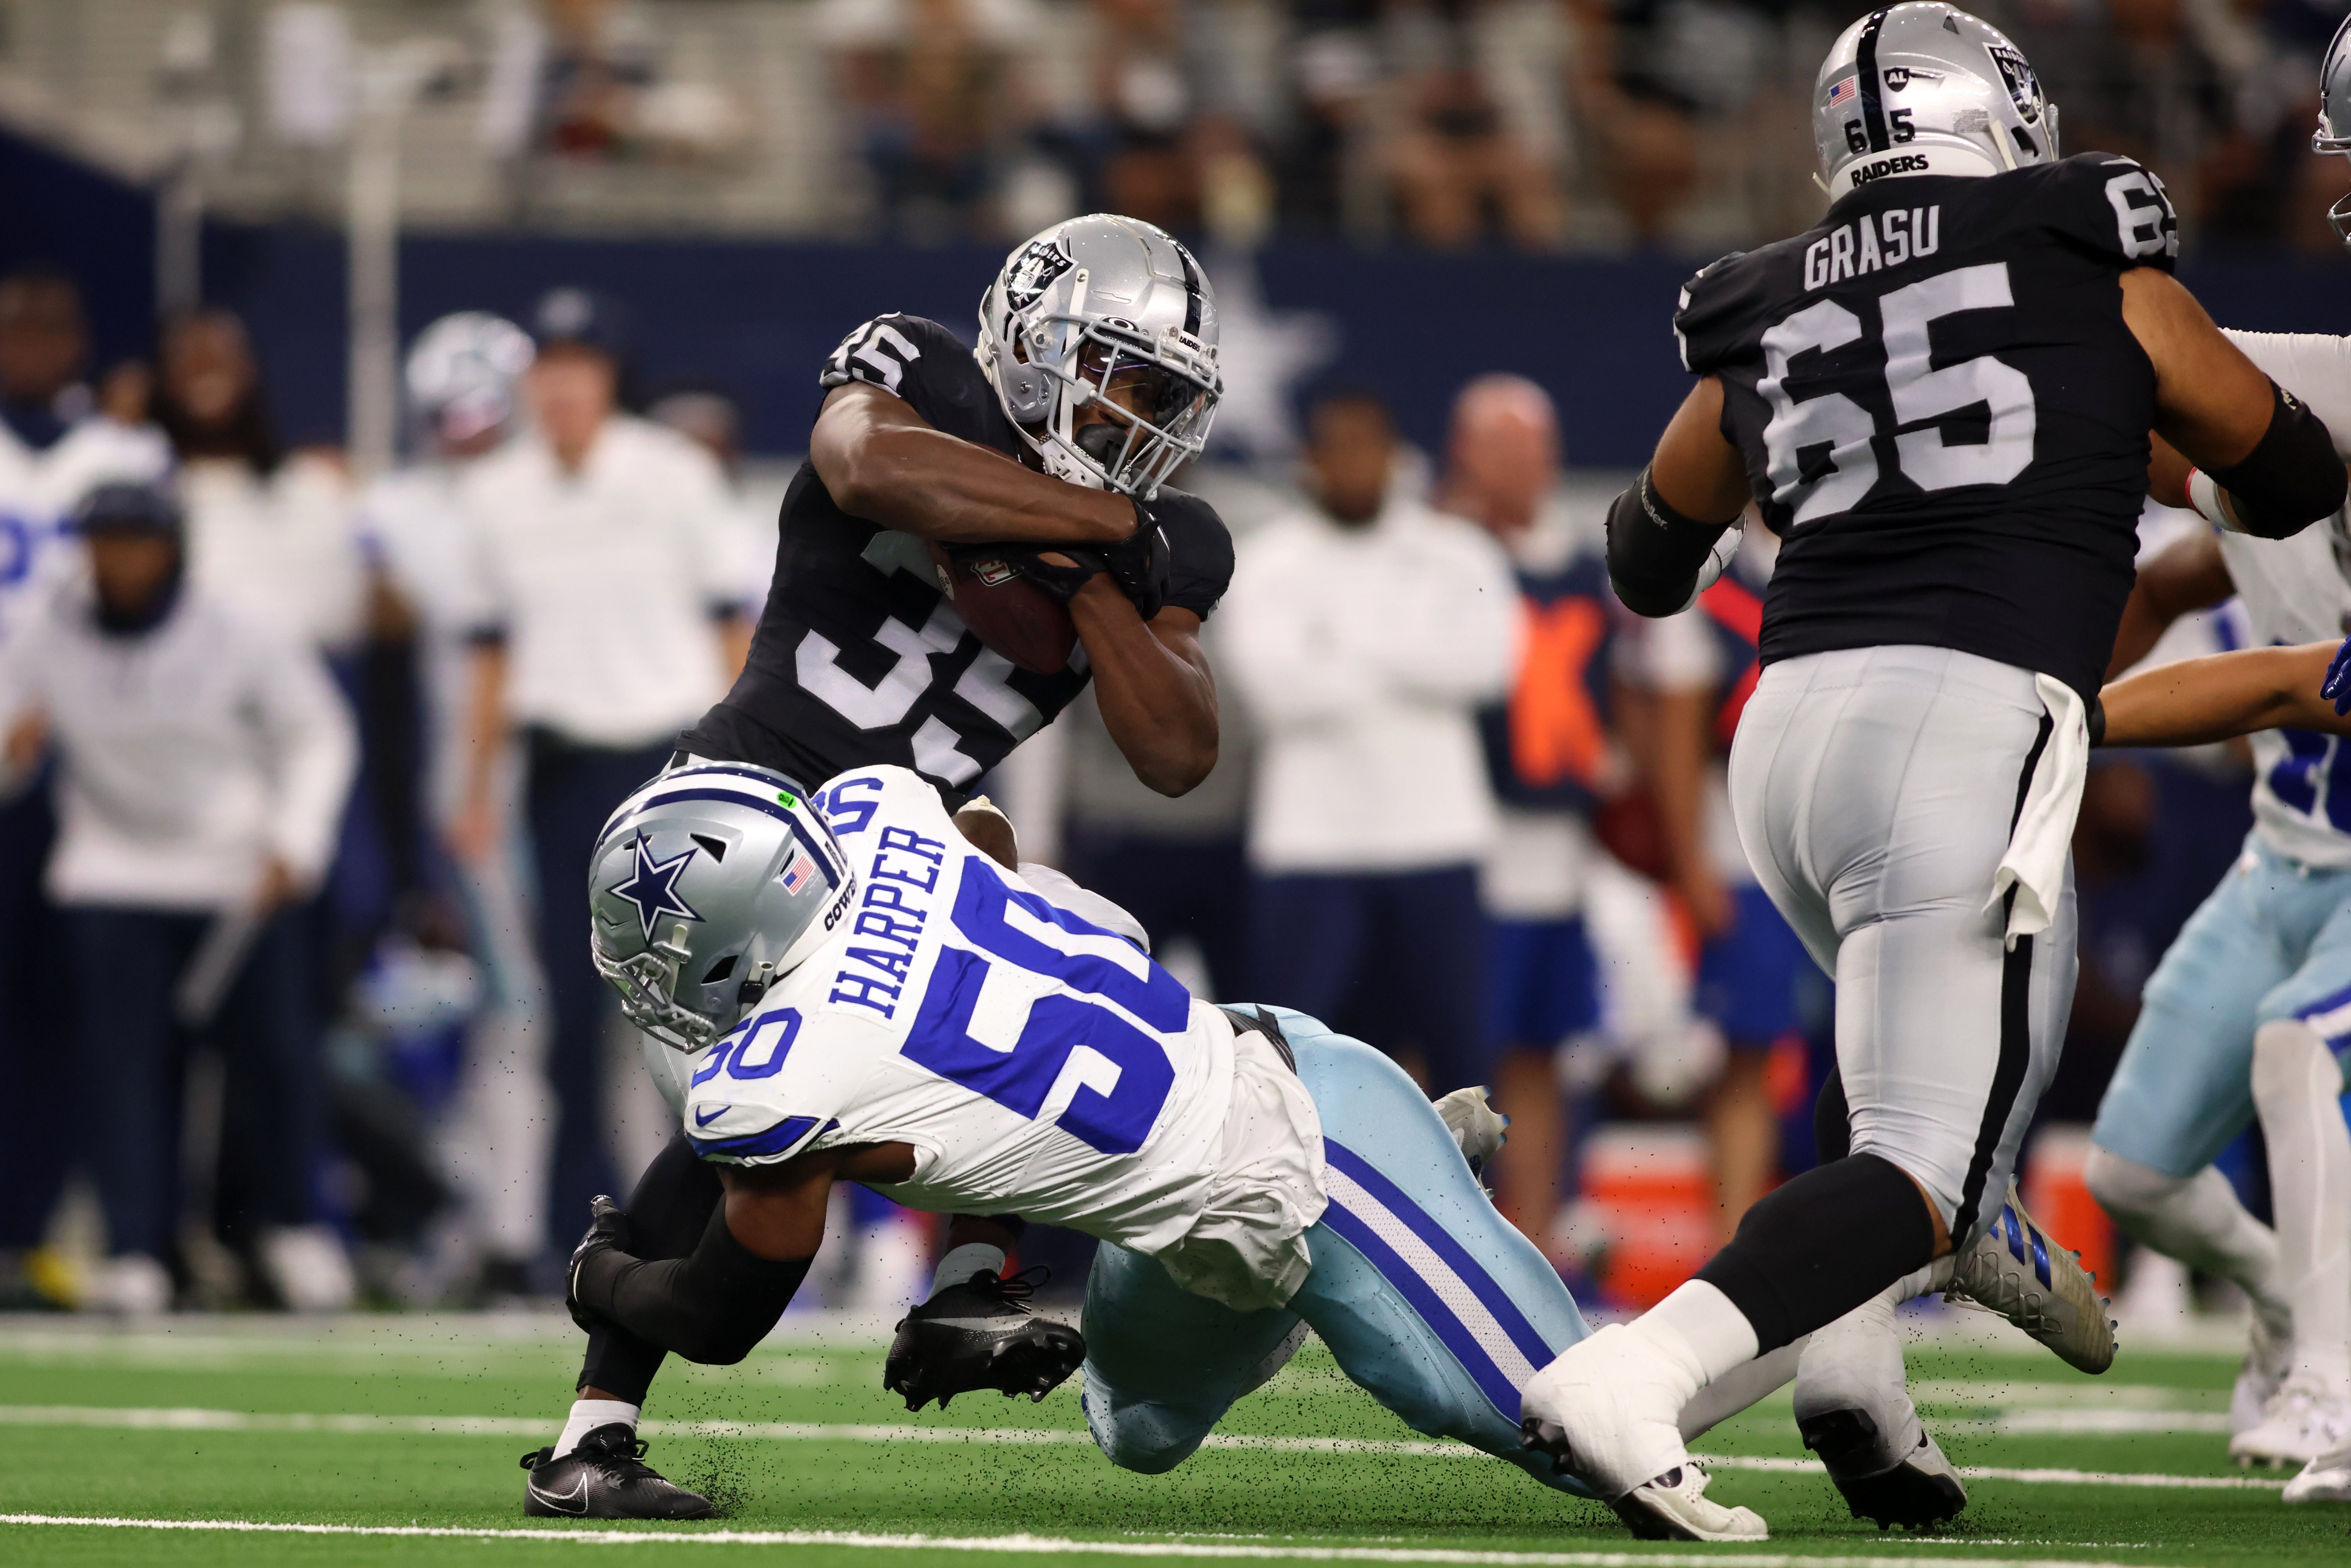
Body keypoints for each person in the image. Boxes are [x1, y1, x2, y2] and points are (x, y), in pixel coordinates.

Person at [1517, 3, 2347, 1542]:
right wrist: (2121, 417)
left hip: (1782, 731)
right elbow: (2286, 471)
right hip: (1965, 715)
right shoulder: (2071, 234)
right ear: (1997, 111)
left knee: (1890, 1074)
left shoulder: (1761, 295)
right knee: (1937, 1160)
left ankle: (1850, 1378)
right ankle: (1635, 1372)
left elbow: (1642, 554)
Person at [518, 213, 1239, 1515]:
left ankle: (966, 1283)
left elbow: (1178, 746)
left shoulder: (1166, 536)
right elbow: (862, 466)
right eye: (1120, 377)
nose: (1136, 419)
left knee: (1051, 917)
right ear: (1035, 342)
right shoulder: (925, 373)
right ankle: (597, 1416)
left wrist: (1083, 575)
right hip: (741, 814)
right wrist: (1089, 522)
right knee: (758, 1148)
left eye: (1160, 397)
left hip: (904, 865)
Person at [529, 760, 1572, 1519]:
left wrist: (599, 1278)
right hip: (1193, 1154)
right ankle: (1349, 1255)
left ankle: (1400, 1203)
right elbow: (990, 1075)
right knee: (1139, 1433)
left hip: (1295, 1146)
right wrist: (975, 1272)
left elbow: (717, 1318)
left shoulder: (789, 1079)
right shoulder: (888, 817)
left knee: (1578, 1431)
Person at [2086, 17, 2351, 1490]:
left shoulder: (2307, 393)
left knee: (2298, 1048)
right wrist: (2072, 669)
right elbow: (2184, 563)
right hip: (2282, 858)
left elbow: (2305, 678)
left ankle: (2332, 1376)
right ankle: (2279, 1307)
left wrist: (2058, 717)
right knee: (2129, 1168)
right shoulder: (2267, 463)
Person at [449, 287, 755, 1259]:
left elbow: (731, 626)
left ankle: (704, 1228)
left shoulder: (673, 475)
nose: (564, 387)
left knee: (696, 1005)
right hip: (563, 765)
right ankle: (570, 1229)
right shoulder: (495, 494)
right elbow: (491, 652)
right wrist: (474, 786)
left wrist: (743, 765)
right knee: (572, 1011)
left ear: (608, 377)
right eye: (549, 367)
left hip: (669, 763)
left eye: (580, 367)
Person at [0, 484, 357, 1313]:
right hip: (111, 869)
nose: (117, 559)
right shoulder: (45, 631)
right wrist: (15, 752)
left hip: (238, 873)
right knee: (121, 1066)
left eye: (135, 540)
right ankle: (134, 1247)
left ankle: (296, 1228)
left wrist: (295, 843)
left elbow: (319, 733)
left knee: (275, 1058)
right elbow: (12, 741)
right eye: (102, 541)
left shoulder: (241, 627)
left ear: (171, 547)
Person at [1221, 388, 1518, 1093]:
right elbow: (1273, 694)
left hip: (1438, 840)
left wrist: (1337, 644)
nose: (1354, 465)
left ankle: (1465, 1207)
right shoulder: (1267, 561)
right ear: (1309, 463)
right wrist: (1414, 652)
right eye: (1337, 449)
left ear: (1396, 458)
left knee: (1459, 1064)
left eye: (1369, 448)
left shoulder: (1458, 552)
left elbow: (1491, 666)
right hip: (1308, 848)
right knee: (1293, 1065)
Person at [360, 312, 545, 1296]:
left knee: (574, 1018)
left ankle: (522, 1219)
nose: (466, 431)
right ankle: (500, 1221)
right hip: (468, 800)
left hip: (566, 785)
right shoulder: (398, 512)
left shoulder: (564, 497)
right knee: (510, 1014)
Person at [0, 268, 170, 1306]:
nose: (29, 342)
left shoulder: (124, 455)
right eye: (13, 324)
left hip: (96, 763)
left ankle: (65, 1229)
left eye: (47, 326)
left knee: (85, 1015)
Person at [1432, 374, 1618, 1243]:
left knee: (1545, 1053)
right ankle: (1445, 1241)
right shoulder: (1437, 552)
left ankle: (1537, 1244)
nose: (1525, 467)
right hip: (1461, 832)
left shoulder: (1579, 563)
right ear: (1467, 454)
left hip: (1560, 838)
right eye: (1504, 447)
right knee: (1461, 1052)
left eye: (1535, 447)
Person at [1613, 519, 1809, 1241]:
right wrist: (1691, 865)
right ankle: (1731, 1244)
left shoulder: (1845, 554)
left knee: (1843, 1056)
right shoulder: (1715, 582)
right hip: (1742, 855)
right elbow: (1676, 732)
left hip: (1829, 852)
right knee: (1745, 1057)